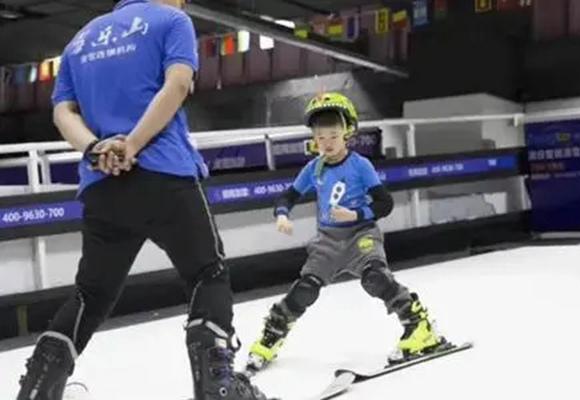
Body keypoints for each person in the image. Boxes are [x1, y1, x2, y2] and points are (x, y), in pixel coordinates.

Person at [16, 1, 272, 399]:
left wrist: (97, 149)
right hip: (165, 173)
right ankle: (217, 388)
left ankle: (37, 389)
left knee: (91, 294)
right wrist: (133, 144)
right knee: (208, 273)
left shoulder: (80, 40)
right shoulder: (172, 21)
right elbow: (178, 84)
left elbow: (62, 112)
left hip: (102, 186)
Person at [246, 92, 447, 373]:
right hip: (327, 240)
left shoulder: (360, 165)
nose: (326, 143)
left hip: (361, 234)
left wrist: (356, 214)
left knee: (375, 278)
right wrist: (282, 214)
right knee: (305, 289)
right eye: (320, 137)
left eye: (332, 135)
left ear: (347, 133)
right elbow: (287, 197)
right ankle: (272, 335)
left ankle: (420, 327)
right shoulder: (313, 168)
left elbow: (384, 203)